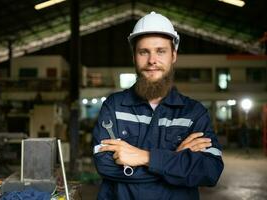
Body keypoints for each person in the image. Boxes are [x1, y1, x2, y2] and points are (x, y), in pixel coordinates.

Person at [92, 11, 224, 200]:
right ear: (134, 57)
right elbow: (104, 166)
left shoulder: (194, 113)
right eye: (143, 52)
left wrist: (146, 158)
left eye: (161, 51)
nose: (152, 60)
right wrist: (175, 159)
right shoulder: (114, 106)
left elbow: (209, 171)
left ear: (174, 55)